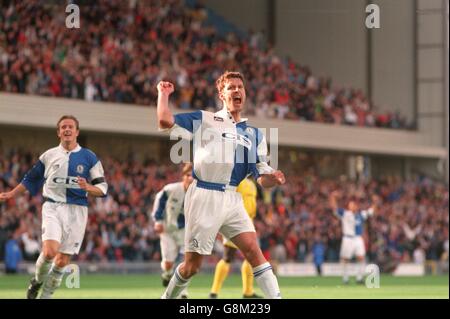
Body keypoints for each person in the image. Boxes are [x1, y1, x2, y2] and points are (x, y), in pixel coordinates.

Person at [157, 71, 285, 299]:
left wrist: (273, 178)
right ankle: (168, 298)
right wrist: (163, 94)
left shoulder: (255, 135)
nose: (237, 90)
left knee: (254, 251)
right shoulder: (206, 119)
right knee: (191, 267)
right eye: (231, 87)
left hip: (232, 199)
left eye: (240, 87)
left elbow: (262, 178)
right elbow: (165, 121)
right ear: (221, 94)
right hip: (205, 194)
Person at [0, 115, 108, 298]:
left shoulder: (89, 157)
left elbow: (103, 188)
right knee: (49, 252)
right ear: (59, 132)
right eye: (63, 127)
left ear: (77, 132)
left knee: (62, 261)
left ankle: (45, 296)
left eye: (70, 127)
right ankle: (37, 280)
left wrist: (88, 187)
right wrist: (11, 194)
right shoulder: (48, 155)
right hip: (53, 207)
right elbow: (30, 179)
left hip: (77, 211)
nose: (67, 129)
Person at [209, 177, 262, 299]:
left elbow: (252, 205)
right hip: (235, 221)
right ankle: (214, 291)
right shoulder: (235, 180)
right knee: (228, 256)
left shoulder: (252, 185)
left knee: (251, 257)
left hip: (249, 223)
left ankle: (248, 292)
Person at [152, 163, 193, 298]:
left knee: (186, 261)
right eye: (188, 175)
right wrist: (157, 221)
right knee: (168, 263)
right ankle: (167, 274)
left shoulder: (198, 194)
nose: (190, 178)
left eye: (193, 175)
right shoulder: (171, 189)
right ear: (183, 176)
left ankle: (183, 291)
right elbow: (159, 201)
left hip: (185, 231)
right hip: (168, 229)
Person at [329, 191, 378, 284]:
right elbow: (334, 207)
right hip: (348, 238)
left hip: (358, 238)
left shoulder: (360, 214)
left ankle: (359, 278)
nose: (353, 206)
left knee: (361, 257)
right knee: (345, 259)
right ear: (348, 207)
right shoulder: (345, 213)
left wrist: (375, 202)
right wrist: (332, 197)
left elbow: (371, 211)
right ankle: (345, 278)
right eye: (351, 205)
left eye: (354, 205)